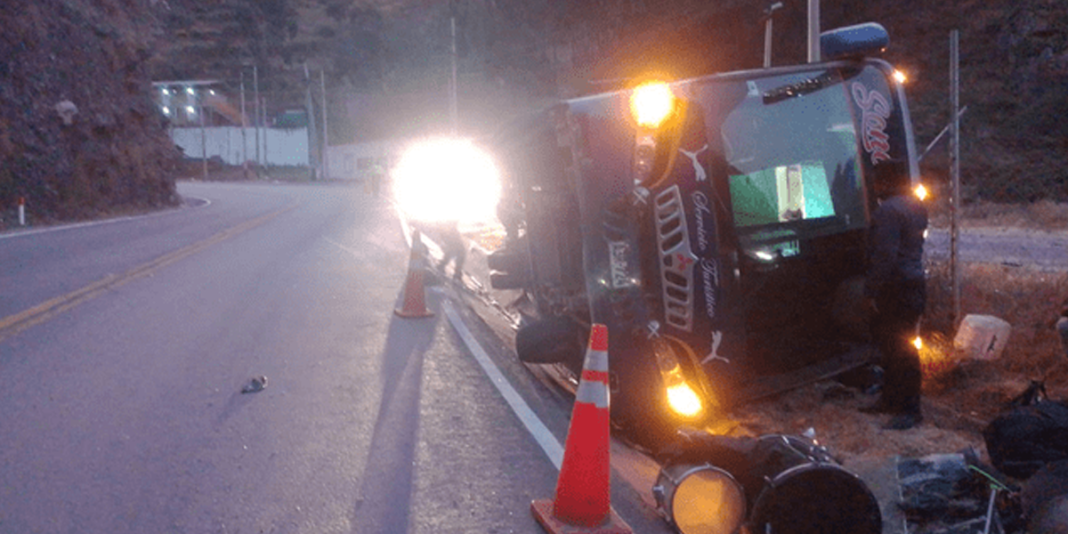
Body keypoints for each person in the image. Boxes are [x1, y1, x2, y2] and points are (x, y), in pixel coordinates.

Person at [861, 166, 928, 430]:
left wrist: (871, 291)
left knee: (899, 349)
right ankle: (891, 400)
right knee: (896, 347)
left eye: (877, 180)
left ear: (887, 181)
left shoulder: (888, 211)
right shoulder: (916, 206)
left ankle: (909, 410)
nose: (875, 186)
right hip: (913, 285)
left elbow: (885, 256)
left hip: (895, 288)